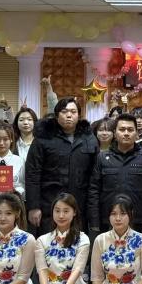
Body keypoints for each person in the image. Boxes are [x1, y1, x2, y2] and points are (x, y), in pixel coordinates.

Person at [27, 98, 98, 234]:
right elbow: (32, 173)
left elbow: (94, 176)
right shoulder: (43, 138)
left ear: (79, 115)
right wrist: (33, 206)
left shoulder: (89, 138)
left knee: (77, 243)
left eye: (73, 112)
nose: (69, 115)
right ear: (56, 115)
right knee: (49, 242)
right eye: (64, 112)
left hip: (79, 205)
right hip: (49, 205)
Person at [88, 113, 142, 234]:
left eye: (130, 130)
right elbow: (94, 191)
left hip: (138, 220)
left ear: (136, 133)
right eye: (122, 129)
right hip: (108, 219)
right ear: (115, 133)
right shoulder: (102, 157)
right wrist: (94, 219)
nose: (126, 133)